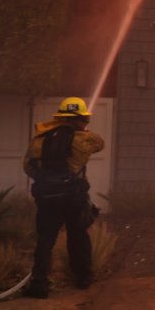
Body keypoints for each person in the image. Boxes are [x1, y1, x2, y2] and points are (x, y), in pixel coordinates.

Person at [22, 97, 105, 299]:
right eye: (84, 120)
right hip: (73, 197)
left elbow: (28, 167)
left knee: (46, 239)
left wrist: (47, 180)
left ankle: (39, 283)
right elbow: (100, 144)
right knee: (78, 237)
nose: (86, 123)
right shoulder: (84, 139)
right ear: (78, 119)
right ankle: (83, 278)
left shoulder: (40, 139)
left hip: (47, 197)